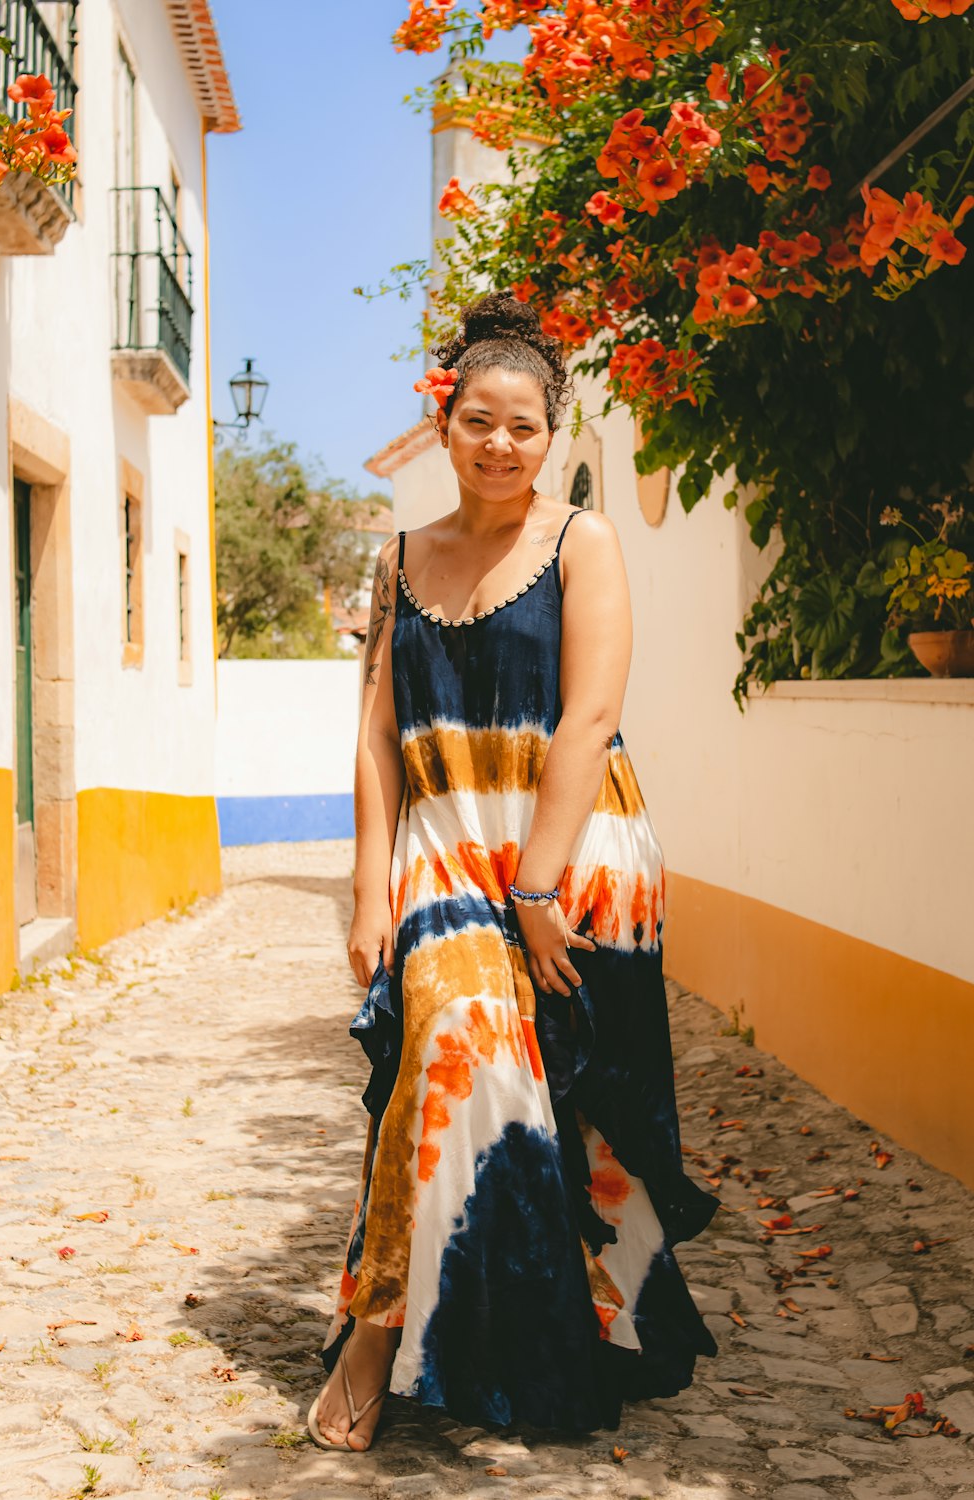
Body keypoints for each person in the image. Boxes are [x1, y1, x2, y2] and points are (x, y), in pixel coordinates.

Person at [308, 291, 719, 1453]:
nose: (499, 443)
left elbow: (589, 720)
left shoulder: (581, 542)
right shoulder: (398, 564)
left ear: (552, 436)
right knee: (458, 1052)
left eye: (523, 426)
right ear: (445, 425)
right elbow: (377, 737)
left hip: (573, 844)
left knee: (571, 1103)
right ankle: (379, 1327)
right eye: (478, 420)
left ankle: (588, 1316)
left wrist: (536, 894)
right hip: (446, 840)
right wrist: (367, 891)